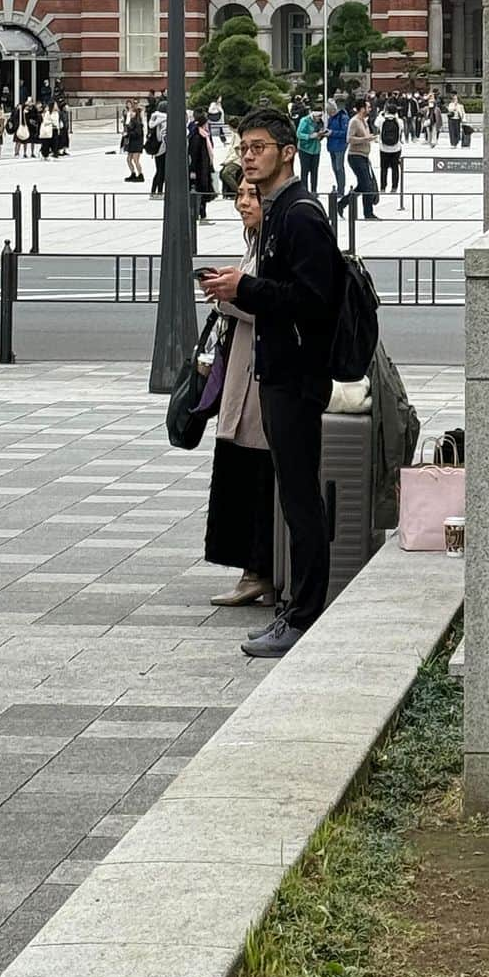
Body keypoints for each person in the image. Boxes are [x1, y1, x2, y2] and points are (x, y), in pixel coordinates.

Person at [201, 107, 348, 659]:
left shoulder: (300, 214)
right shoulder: (278, 212)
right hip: (280, 370)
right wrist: (243, 286)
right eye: (243, 148)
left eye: (259, 147)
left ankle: (304, 615)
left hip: (297, 374)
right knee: (293, 494)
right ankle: (296, 609)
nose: (248, 156)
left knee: (301, 497)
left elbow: (315, 301)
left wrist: (246, 289)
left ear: (288, 152)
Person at [203, 178, 276, 609]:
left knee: (256, 471)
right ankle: (255, 569)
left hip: (258, 377)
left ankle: (260, 570)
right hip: (243, 374)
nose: (243, 204)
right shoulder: (255, 240)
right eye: (240, 196)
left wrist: (226, 296)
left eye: (253, 197)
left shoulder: (275, 240)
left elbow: (266, 302)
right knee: (243, 467)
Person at [341, 96, 379, 220]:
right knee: (366, 185)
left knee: (364, 185)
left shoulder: (364, 121)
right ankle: (368, 213)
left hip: (364, 156)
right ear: (362, 108)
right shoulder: (355, 121)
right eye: (368, 107)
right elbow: (349, 139)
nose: (370, 109)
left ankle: (342, 204)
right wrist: (365, 139)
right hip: (355, 156)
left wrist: (370, 137)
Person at [188, 109, 215, 223]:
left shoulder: (204, 135)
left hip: (204, 168)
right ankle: (200, 215)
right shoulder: (197, 137)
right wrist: (193, 170)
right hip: (199, 170)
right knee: (200, 192)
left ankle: (202, 215)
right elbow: (193, 154)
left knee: (203, 192)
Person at [325, 99, 349, 199]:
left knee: (339, 168)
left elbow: (345, 133)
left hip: (340, 146)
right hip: (331, 146)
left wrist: (332, 133)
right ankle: (338, 187)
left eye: (330, 112)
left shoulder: (343, 118)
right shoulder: (330, 119)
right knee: (335, 168)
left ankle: (341, 189)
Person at [295, 105, 322, 194]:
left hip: (316, 149)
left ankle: (314, 191)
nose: (319, 118)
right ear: (313, 115)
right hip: (305, 149)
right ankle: (304, 191)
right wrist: (310, 136)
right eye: (318, 116)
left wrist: (322, 135)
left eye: (320, 116)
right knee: (305, 170)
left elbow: (320, 132)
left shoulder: (320, 122)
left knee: (315, 171)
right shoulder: (305, 121)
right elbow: (299, 134)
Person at [378, 99, 403, 194]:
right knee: (395, 168)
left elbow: (376, 124)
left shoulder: (381, 120)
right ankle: (394, 187)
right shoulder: (399, 121)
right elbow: (401, 130)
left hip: (383, 148)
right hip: (396, 148)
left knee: (383, 168)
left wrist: (382, 113)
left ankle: (383, 187)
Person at [147, 98, 167, 197]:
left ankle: (154, 191)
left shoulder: (154, 118)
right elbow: (162, 136)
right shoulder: (164, 120)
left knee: (159, 170)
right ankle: (159, 192)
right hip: (163, 148)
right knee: (162, 171)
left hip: (156, 149)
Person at [122, 101, 144, 181]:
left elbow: (137, 133)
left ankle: (140, 174)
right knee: (128, 159)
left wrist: (128, 133)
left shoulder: (138, 122)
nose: (131, 113)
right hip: (132, 143)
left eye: (133, 112)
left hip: (137, 143)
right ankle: (133, 173)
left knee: (135, 160)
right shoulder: (131, 121)